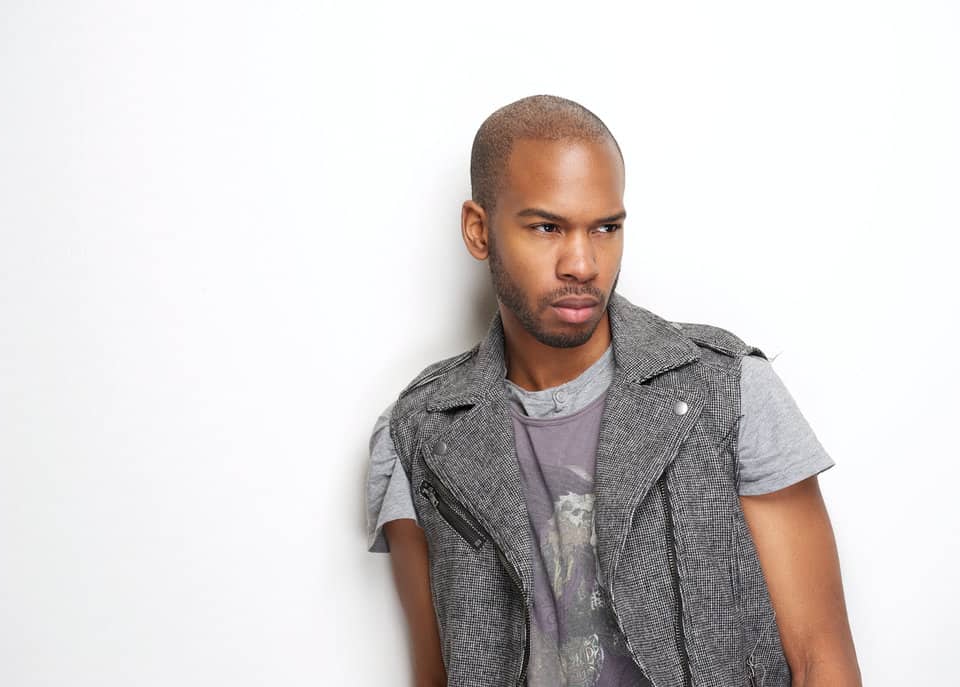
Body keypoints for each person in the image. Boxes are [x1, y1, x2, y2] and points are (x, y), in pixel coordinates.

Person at [364, 95, 862, 687]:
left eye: (605, 227)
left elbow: (820, 659)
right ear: (479, 230)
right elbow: (437, 670)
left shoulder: (726, 390)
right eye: (547, 227)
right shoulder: (419, 433)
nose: (582, 262)